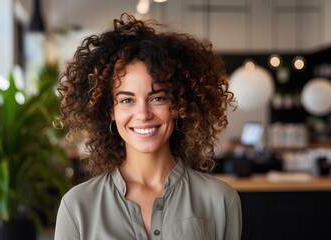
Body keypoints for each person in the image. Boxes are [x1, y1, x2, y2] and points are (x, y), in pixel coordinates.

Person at [54, 13, 242, 240]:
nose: (142, 114)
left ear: (178, 104)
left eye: (157, 98)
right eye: (126, 100)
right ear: (110, 111)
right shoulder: (77, 206)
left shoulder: (220, 200)